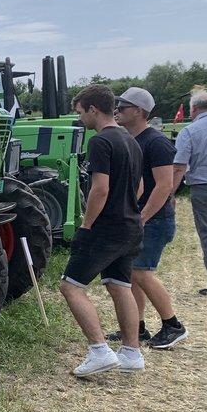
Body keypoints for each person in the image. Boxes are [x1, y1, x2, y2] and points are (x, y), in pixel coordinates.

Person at [58, 84, 144, 376]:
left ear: (93, 109)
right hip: (131, 227)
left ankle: (99, 350)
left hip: (106, 229)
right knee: (120, 286)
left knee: (70, 287)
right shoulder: (131, 140)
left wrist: (86, 224)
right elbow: (139, 187)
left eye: (80, 112)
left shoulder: (100, 141)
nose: (79, 118)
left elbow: (100, 189)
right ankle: (131, 353)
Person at [110, 87, 187, 349]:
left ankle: (173, 325)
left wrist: (142, 218)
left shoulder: (156, 142)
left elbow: (164, 186)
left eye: (122, 107)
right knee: (133, 274)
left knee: (141, 273)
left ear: (138, 111)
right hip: (142, 218)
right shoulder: (132, 140)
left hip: (154, 219)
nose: (117, 111)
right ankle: (137, 327)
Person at [173, 86, 207, 296]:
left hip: (203, 188)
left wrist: (169, 194)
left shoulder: (189, 132)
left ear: (193, 109)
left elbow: (179, 167)